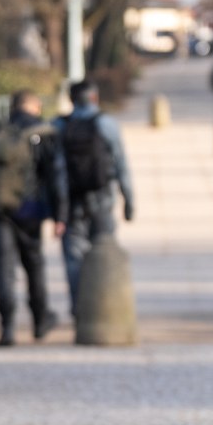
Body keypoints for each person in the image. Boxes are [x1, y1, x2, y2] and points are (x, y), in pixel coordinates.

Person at [0, 90, 67, 346]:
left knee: (4, 265)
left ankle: (7, 327)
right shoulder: (43, 133)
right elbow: (55, 176)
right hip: (30, 208)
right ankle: (40, 320)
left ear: (13, 107)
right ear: (36, 106)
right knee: (34, 264)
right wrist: (60, 214)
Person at [55, 80, 135, 317]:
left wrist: (55, 208)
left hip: (71, 204)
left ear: (71, 100)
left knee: (73, 259)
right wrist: (129, 198)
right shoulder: (106, 124)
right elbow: (121, 164)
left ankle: (79, 309)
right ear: (94, 98)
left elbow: (54, 170)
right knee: (105, 253)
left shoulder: (59, 126)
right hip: (102, 200)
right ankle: (104, 309)